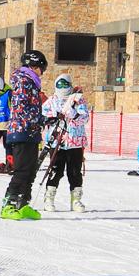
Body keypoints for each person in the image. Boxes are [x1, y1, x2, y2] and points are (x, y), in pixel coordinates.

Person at [0, 50, 46, 219]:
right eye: (42, 68)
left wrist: (43, 119)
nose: (42, 73)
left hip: (30, 130)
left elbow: (31, 108)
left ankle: (23, 203)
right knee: (22, 170)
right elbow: (21, 108)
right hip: (22, 130)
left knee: (31, 170)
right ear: (34, 66)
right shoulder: (23, 81)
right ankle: (8, 205)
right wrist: (39, 120)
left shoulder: (31, 82)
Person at [41, 74, 90, 211]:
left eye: (65, 84)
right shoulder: (52, 101)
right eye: (60, 85)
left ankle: (76, 200)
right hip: (57, 141)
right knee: (56, 170)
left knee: (74, 172)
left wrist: (74, 114)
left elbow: (85, 118)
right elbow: (43, 115)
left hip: (75, 141)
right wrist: (51, 118)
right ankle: (49, 198)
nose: (62, 88)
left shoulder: (78, 100)